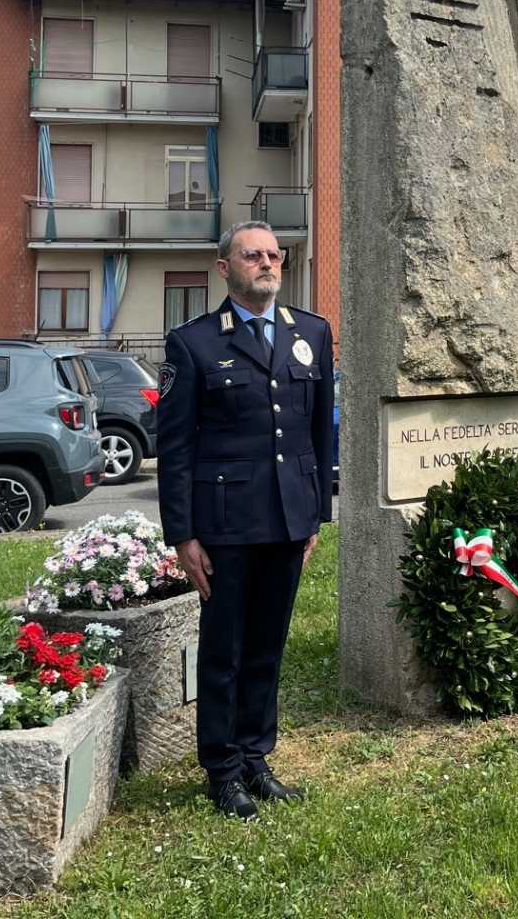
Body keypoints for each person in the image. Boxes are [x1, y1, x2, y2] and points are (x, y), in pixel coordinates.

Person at [158, 220, 333, 820]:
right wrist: (182, 534)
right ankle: (222, 769)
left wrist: (315, 515)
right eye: (251, 255)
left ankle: (257, 759)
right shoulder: (194, 343)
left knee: (268, 646)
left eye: (273, 255)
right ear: (224, 268)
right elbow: (175, 448)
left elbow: (317, 434)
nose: (266, 263)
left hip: (289, 518)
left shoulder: (311, 332)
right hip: (226, 524)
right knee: (225, 650)